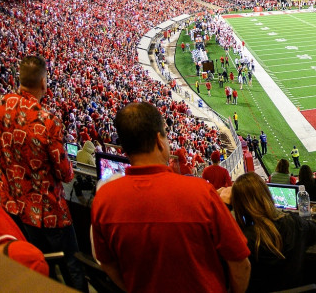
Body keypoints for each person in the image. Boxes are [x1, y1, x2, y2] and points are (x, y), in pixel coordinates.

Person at [91, 102, 251, 293]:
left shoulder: (104, 199)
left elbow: (106, 263)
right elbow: (241, 262)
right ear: (159, 141)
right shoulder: (201, 192)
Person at [0, 55, 87, 291]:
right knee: (71, 265)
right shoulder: (48, 121)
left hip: (13, 206)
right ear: (44, 83)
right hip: (49, 212)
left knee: (32, 265)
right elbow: (66, 174)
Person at [221, 172, 316, 293]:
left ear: (237, 205)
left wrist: (224, 206)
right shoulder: (293, 223)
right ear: (267, 194)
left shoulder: (241, 239)